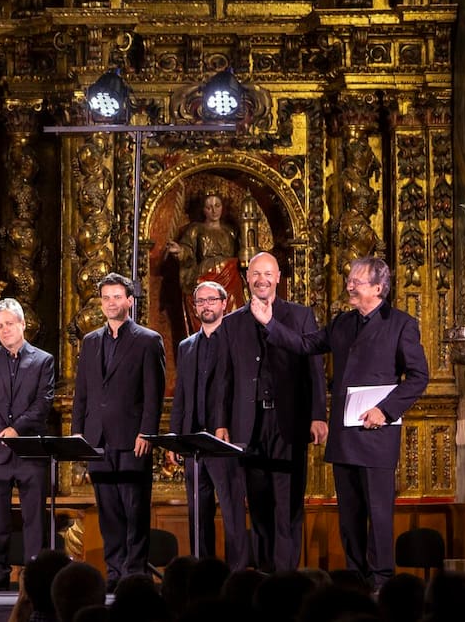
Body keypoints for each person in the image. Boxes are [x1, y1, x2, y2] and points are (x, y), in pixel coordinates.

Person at [252, 256, 428, 589]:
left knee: (378, 516)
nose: (348, 285)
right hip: (346, 437)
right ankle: (357, 583)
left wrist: (385, 410)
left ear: (377, 288)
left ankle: (380, 584)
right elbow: (305, 345)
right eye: (349, 280)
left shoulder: (401, 324)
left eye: (356, 282)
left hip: (377, 436)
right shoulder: (342, 324)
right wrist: (270, 325)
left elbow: (419, 377)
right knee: (349, 519)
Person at [217, 251, 326, 574]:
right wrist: (221, 423)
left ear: (278, 277)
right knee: (260, 501)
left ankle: (286, 575)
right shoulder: (232, 322)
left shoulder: (301, 316)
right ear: (247, 279)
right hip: (248, 426)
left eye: (268, 274)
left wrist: (318, 415)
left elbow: (314, 370)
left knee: (288, 501)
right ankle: (266, 572)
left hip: (288, 422)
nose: (261, 279)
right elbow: (224, 378)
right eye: (255, 274)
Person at [71, 273, 166, 591]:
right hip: (97, 440)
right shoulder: (90, 341)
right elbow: (81, 394)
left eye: (117, 297)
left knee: (135, 508)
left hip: (132, 439)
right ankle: (114, 573)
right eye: (106, 298)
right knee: (108, 510)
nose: (111, 303)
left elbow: (154, 394)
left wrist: (147, 433)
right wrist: (77, 436)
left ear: (129, 300)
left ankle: (135, 573)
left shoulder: (148, 340)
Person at [167, 281, 250, 569]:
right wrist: (176, 436)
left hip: (224, 441)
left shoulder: (236, 341)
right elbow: (181, 395)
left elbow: (235, 390)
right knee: (198, 512)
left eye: (211, 300)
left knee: (231, 510)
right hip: (194, 442)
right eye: (200, 301)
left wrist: (224, 423)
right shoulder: (187, 347)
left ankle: (238, 572)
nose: (205, 306)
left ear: (224, 303)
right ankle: (202, 571)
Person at [0, 298, 55, 591]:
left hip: (30, 449)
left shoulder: (43, 360)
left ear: (22, 324)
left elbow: (43, 402)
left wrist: (16, 429)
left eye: (9, 324)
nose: (4, 330)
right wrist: (2, 430)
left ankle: (34, 578)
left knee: (34, 518)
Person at [166, 193, 245, 329]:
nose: (214, 211)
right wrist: (180, 250)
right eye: (209, 207)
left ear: (222, 208)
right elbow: (188, 250)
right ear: (203, 210)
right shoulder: (196, 229)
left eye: (217, 206)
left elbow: (244, 249)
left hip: (230, 277)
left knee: (233, 315)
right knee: (206, 310)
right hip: (206, 275)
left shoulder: (231, 230)